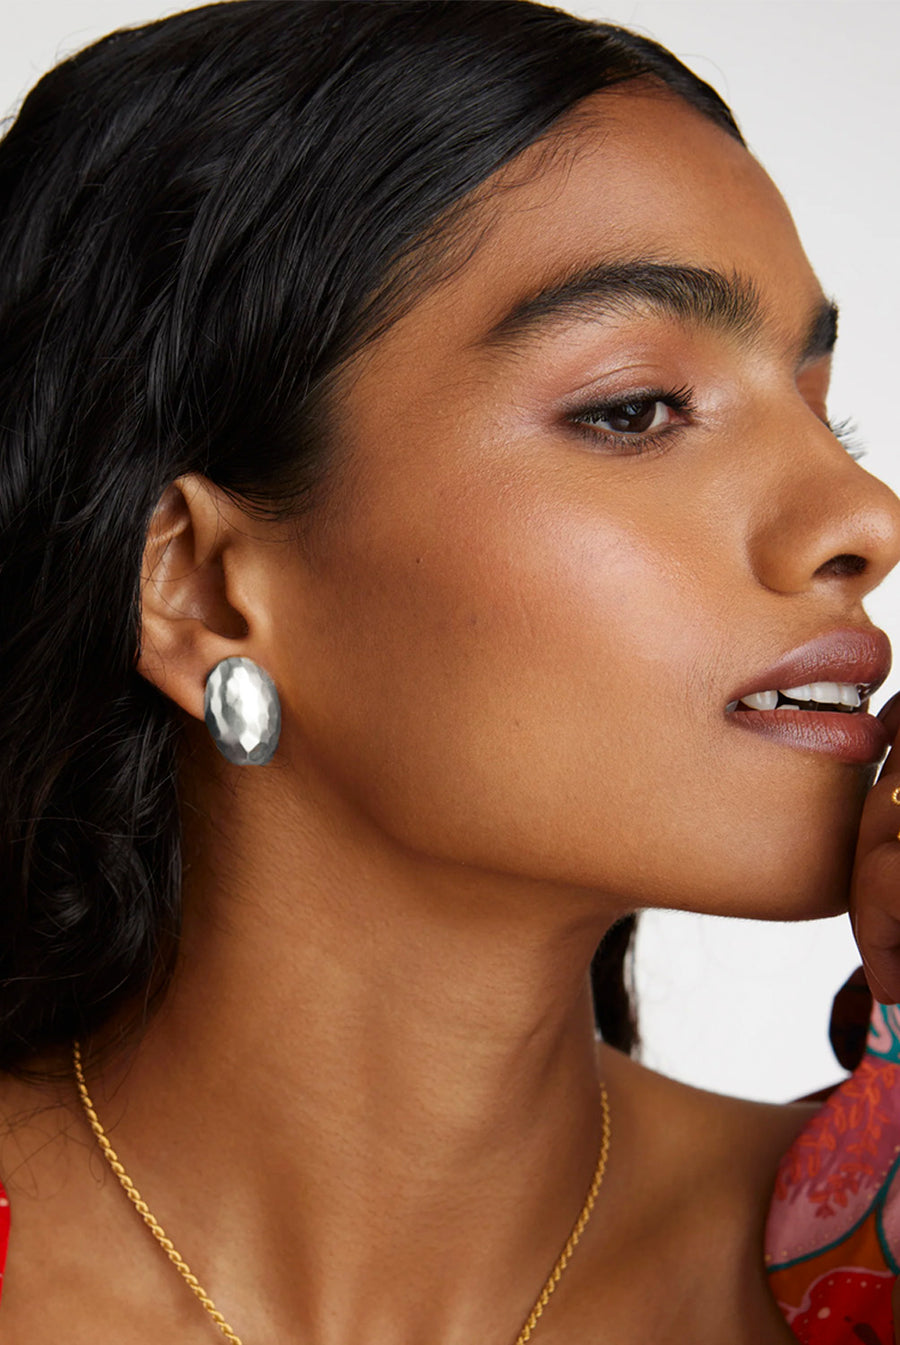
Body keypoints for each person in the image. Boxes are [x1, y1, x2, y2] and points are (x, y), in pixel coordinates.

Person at [1, 1, 900, 1340]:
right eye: (635, 409)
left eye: (826, 411)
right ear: (201, 586)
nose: (863, 518)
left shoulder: (860, 1278)